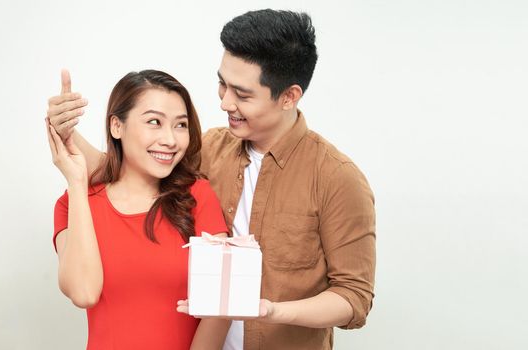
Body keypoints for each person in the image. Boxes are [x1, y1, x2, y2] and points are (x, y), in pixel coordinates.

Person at [47, 9, 376, 350]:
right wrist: (66, 133)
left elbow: (354, 297)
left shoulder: (337, 179)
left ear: (289, 96)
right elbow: (133, 173)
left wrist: (272, 311)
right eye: (222, 84)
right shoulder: (211, 150)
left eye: (243, 94)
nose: (225, 102)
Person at [46, 69, 231, 349]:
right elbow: (84, 293)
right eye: (154, 122)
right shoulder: (74, 203)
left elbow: (220, 309)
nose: (170, 139)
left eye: (180, 125)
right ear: (116, 127)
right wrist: (76, 180)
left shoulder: (197, 196)